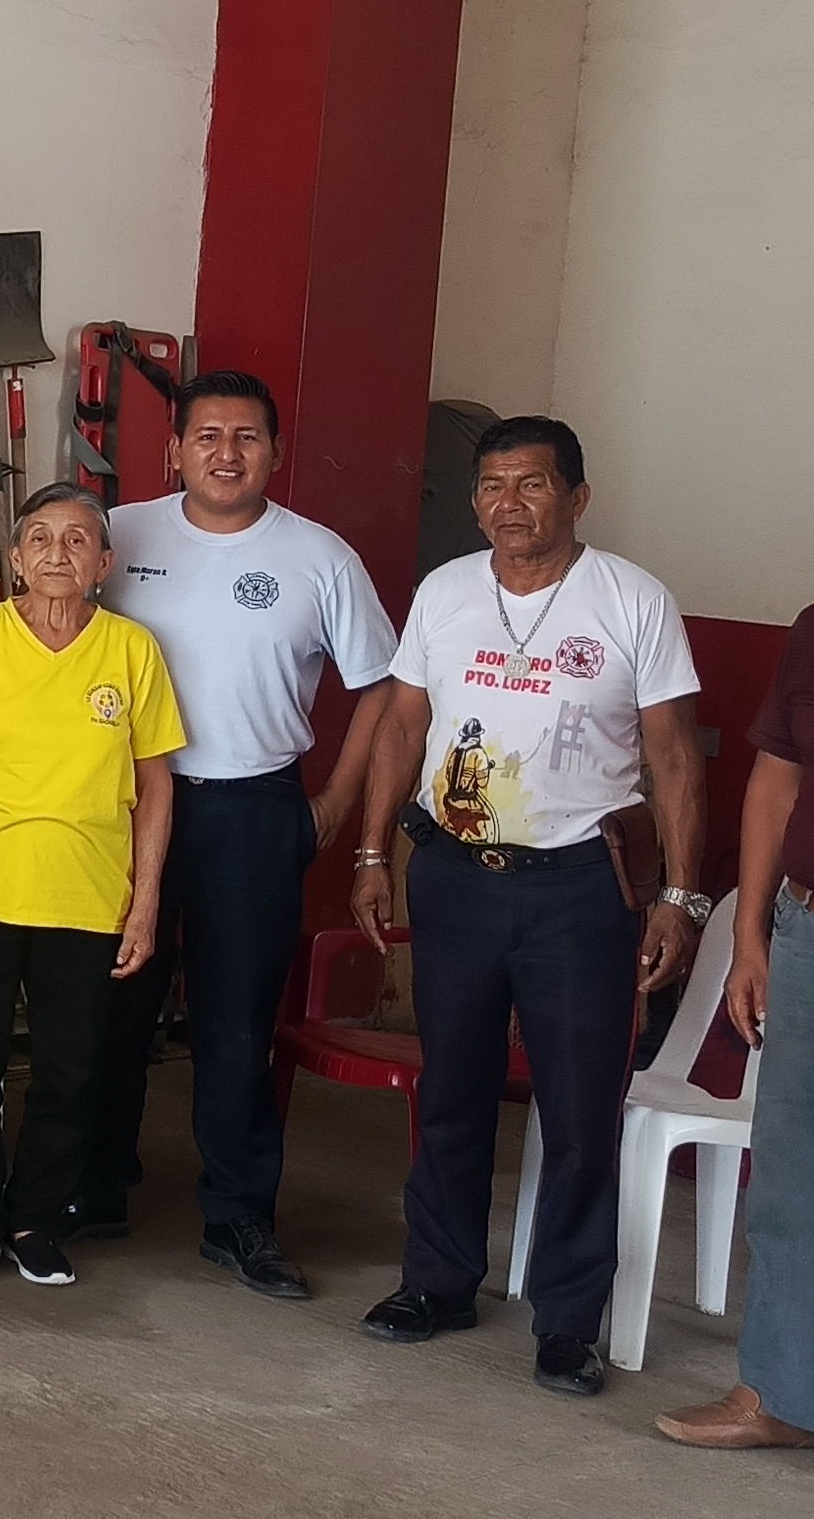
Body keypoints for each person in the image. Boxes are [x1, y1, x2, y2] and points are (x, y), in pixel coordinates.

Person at [354, 418, 706, 1398]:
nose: (508, 504)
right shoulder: (444, 591)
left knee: (580, 1108)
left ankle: (567, 1321)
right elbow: (403, 727)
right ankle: (437, 1281)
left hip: (580, 886)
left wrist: (680, 896)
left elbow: (676, 755)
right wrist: (373, 851)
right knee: (452, 1087)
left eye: (533, 484)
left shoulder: (632, 600)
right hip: (455, 875)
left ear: (577, 498)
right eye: (492, 486)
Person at [90, 372, 396, 1296]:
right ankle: (93, 1186)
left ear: (275, 451)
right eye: (208, 436)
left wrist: (335, 804)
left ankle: (238, 1216)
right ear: (173, 450)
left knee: (235, 1022)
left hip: (254, 810)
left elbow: (381, 685)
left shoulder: (319, 556)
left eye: (248, 437)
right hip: (121, 805)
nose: (227, 454)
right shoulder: (119, 533)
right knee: (110, 1005)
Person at [0, 484, 183, 1289]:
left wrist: (146, 902)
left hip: (88, 896)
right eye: (39, 538)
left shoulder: (131, 650)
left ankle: (36, 1219)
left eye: (77, 541)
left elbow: (155, 784)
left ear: (104, 564)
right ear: (14, 559)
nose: (57, 554)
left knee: (71, 1071)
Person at [658, 602, 814, 1450]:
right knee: (791, 1176)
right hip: (807, 929)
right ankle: (779, 1395)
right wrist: (751, 935)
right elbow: (775, 784)